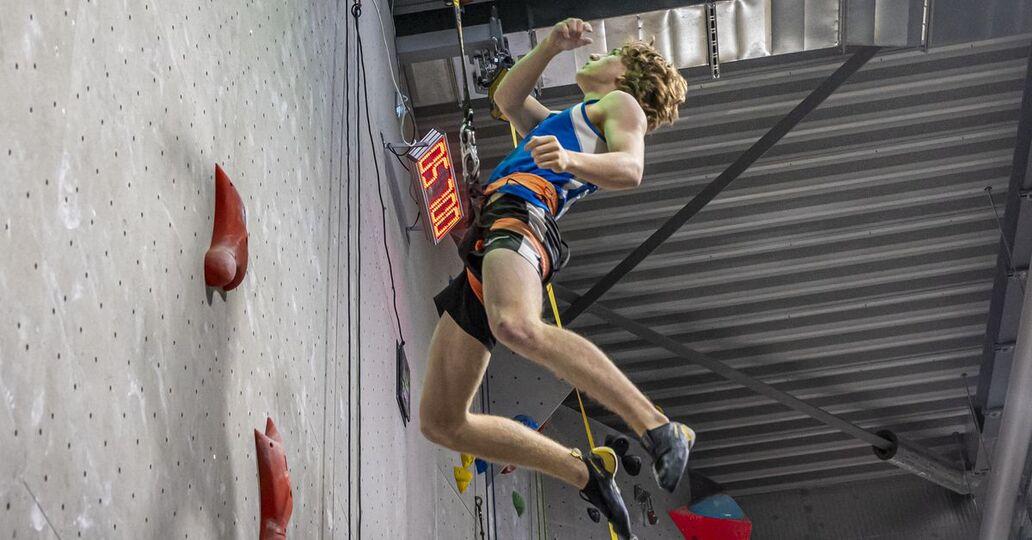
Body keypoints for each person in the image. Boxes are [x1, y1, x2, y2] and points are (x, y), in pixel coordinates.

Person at [419, 17, 693, 539]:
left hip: (522, 214)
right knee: (442, 422)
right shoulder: (568, 120)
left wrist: (568, 160)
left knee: (517, 326)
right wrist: (549, 46)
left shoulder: (623, 105)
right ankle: (586, 475)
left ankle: (659, 427)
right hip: (494, 231)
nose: (595, 56)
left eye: (609, 55)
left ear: (626, 76)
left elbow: (631, 169)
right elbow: (508, 99)